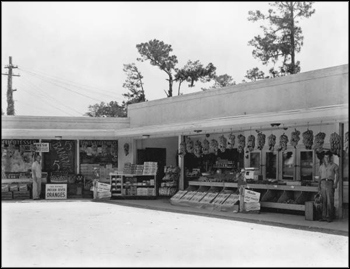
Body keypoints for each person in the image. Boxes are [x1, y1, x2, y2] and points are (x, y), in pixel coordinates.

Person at [317, 150, 339, 222]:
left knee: (330, 200)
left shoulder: (334, 165)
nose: (327, 159)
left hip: (330, 182)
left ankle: (329, 216)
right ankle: (323, 216)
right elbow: (320, 177)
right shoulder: (321, 167)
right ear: (323, 158)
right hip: (323, 183)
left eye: (328, 157)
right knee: (323, 200)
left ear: (331, 157)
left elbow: (338, 175)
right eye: (326, 157)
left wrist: (335, 183)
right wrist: (318, 186)